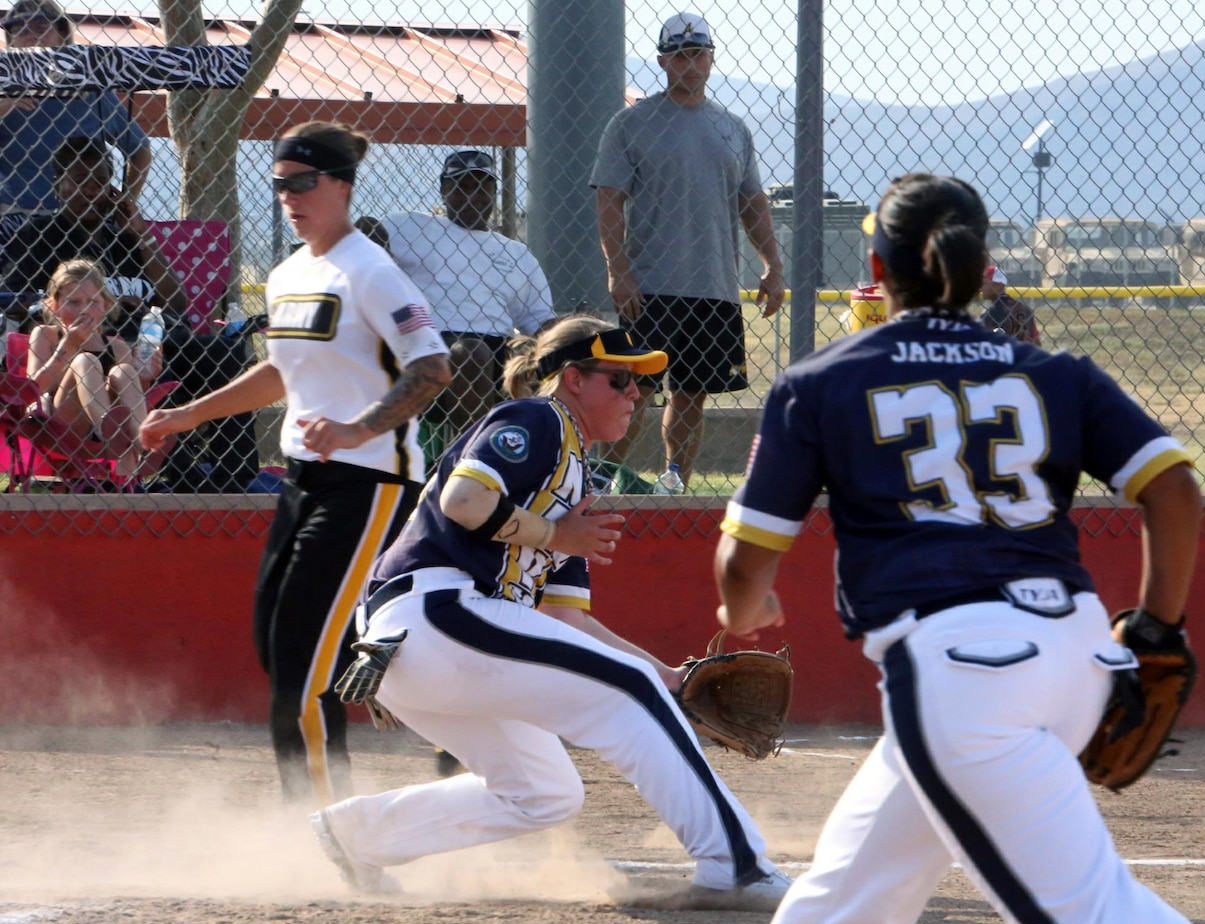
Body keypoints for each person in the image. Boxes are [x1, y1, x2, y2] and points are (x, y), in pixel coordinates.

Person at [714, 174, 1205, 924]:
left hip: (960, 673)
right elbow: (1172, 489)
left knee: (1088, 913)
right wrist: (1160, 631)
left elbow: (746, 564)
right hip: (1075, 656)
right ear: (983, 271)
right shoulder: (1055, 374)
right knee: (849, 893)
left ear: (874, 269)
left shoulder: (825, 381)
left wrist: (747, 611)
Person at [306, 315, 792, 906]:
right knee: (625, 692)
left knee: (544, 793)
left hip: (444, 648)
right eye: (620, 379)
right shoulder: (538, 419)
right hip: (435, 617)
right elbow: (465, 500)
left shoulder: (577, 485)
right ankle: (737, 867)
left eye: (641, 384)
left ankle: (358, 834)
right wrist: (555, 537)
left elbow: (567, 623)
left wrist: (668, 677)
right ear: (571, 379)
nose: (636, 394)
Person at [139, 121, 452, 806]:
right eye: (279, 183)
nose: (289, 195)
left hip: (369, 485)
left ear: (340, 185)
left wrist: (357, 427)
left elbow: (433, 367)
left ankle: (327, 825)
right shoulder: (287, 273)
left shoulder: (371, 270)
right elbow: (280, 372)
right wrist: (188, 415)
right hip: (301, 483)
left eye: (303, 182)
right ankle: (437, 721)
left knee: (302, 670)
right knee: (277, 646)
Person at [591, 11, 784, 485]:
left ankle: (675, 478)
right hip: (650, 284)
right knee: (635, 389)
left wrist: (773, 264)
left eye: (698, 54)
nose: (690, 64)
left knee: (692, 392)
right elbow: (609, 200)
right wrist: (619, 270)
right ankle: (602, 475)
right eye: (679, 55)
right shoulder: (632, 123)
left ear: (712, 59)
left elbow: (752, 201)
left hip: (714, 285)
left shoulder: (732, 128)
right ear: (662, 62)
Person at [362, 149, 557, 456]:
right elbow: (367, 232)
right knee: (470, 351)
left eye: (482, 186)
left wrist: (580, 337)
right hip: (432, 344)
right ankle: (475, 459)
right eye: (461, 186)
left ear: (495, 191)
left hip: (500, 348)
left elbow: (540, 321)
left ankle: (543, 460)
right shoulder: (412, 227)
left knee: (533, 354)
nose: (473, 195)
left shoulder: (516, 253)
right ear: (443, 189)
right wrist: (370, 236)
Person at [5, 136, 186, 338]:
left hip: (150, 343)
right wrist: (105, 306)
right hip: (82, 345)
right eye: (81, 181)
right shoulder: (38, 235)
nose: (91, 190)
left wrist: (142, 234)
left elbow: (175, 303)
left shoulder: (127, 240)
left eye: (100, 182)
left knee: (223, 350)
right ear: (58, 188)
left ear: (112, 192)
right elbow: (13, 301)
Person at [0, 0, 150, 217]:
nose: (32, 36)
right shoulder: (4, 90)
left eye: (42, 28)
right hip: (10, 212)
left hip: (78, 215)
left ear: (62, 34)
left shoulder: (91, 92)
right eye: (20, 30)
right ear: (11, 41)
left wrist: (125, 201)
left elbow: (140, 150)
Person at [26, 258, 152, 484]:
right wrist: (69, 346)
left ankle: (144, 442)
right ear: (54, 306)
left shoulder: (117, 345)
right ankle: (109, 431)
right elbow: (31, 390)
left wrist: (145, 376)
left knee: (124, 371)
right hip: (63, 426)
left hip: (117, 426)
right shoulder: (46, 335)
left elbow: (130, 396)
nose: (84, 310)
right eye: (74, 302)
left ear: (105, 305)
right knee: (86, 362)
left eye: (93, 301)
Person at [978, 264, 1040, 344]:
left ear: (998, 285)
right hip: (1024, 354)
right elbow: (1036, 343)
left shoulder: (990, 313)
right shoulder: (1025, 309)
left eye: (983, 283)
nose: (980, 287)